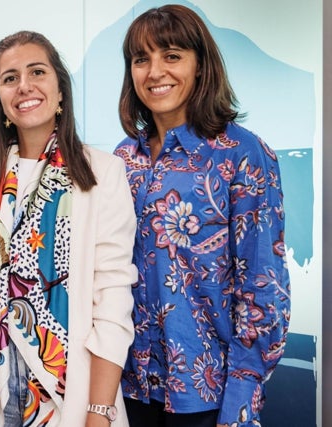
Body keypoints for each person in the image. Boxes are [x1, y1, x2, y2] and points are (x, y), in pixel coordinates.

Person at [0, 30, 137, 427]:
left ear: (60, 89)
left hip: (62, 386)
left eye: (37, 72)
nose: (24, 86)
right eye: (10, 78)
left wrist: (99, 411)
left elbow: (112, 299)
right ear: (1, 100)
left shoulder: (102, 172)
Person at [113, 5, 291, 427]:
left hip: (209, 396)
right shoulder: (123, 159)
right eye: (142, 59)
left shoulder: (243, 155)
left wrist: (239, 403)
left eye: (171, 55)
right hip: (128, 388)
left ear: (200, 65)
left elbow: (264, 290)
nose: (155, 71)